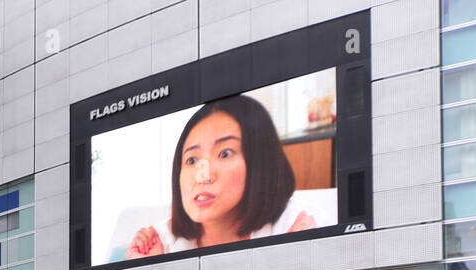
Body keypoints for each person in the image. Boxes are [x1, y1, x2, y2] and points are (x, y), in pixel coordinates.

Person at [116, 94, 330, 261]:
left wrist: (295, 263)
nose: (203, 176)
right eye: (191, 160)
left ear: (261, 162)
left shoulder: (301, 227)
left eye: (225, 153)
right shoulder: (161, 243)